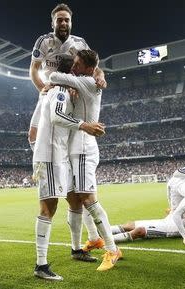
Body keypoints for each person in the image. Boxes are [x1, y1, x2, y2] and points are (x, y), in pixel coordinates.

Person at [30, 3, 107, 254]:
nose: (63, 24)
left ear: (70, 23)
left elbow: (94, 65)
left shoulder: (79, 42)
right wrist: (43, 87)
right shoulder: (43, 41)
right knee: (35, 133)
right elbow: (33, 70)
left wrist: (101, 76)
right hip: (51, 94)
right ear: (53, 22)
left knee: (76, 193)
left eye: (66, 20)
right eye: (59, 20)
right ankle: (44, 164)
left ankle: (91, 238)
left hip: (71, 96)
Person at [33, 55, 105, 281]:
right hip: (51, 155)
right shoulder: (60, 90)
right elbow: (56, 116)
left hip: (60, 156)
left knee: (75, 201)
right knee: (48, 208)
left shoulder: (61, 90)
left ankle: (76, 249)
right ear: (71, 74)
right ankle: (41, 265)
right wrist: (85, 125)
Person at [49, 50, 121, 272]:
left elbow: (52, 77)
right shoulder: (83, 81)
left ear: (89, 69)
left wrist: (97, 73)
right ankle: (90, 241)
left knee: (89, 199)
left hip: (83, 149)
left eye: (78, 64)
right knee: (74, 198)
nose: (74, 67)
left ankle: (112, 249)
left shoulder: (88, 82)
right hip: (73, 150)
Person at [110, 210, 185, 242]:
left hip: (169, 229)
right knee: (129, 224)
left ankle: (107, 241)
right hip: (168, 221)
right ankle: (105, 231)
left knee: (140, 231)